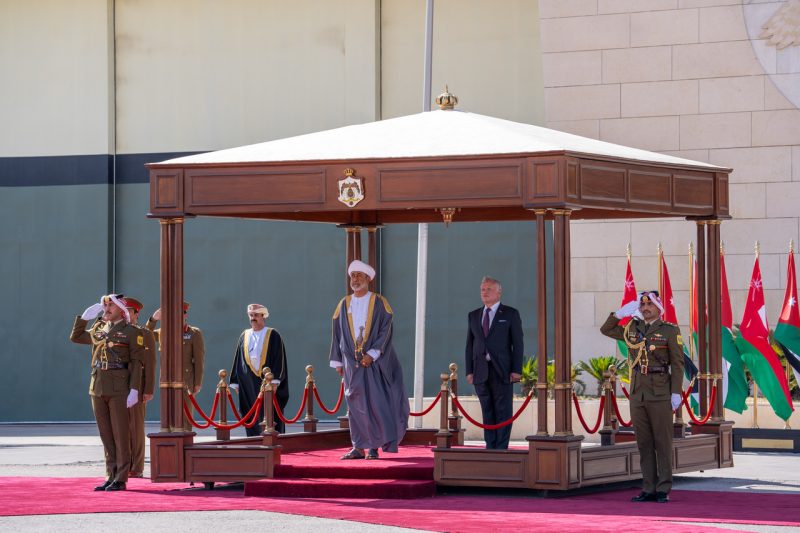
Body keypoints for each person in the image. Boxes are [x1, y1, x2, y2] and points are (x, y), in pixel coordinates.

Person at [600, 291, 684, 504]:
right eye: (642, 305)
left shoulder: (669, 330)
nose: (645, 308)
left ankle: (663, 488)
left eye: (650, 305)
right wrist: (619, 314)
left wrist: (676, 391)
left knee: (662, 442)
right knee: (644, 443)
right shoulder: (632, 329)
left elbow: (677, 363)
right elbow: (606, 330)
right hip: (638, 392)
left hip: (660, 391)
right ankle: (648, 488)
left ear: (658, 307)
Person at [329, 260, 409, 460]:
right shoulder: (343, 304)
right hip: (351, 362)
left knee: (375, 403)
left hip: (374, 362)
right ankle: (358, 446)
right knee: (354, 403)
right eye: (352, 276)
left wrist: (373, 353)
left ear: (368, 279)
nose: (355, 279)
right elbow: (337, 333)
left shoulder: (380, 302)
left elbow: (386, 329)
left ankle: (374, 446)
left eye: (359, 275)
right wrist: (337, 361)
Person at [70, 294, 144, 491]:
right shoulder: (99, 329)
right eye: (105, 306)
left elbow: (136, 363)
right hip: (98, 386)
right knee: (106, 434)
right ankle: (110, 475)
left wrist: (135, 389)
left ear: (121, 309)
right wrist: (84, 318)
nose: (106, 309)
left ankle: (121, 478)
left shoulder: (131, 331)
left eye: (111, 305)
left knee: (121, 434)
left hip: (119, 387)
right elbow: (76, 337)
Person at [465, 276, 524, 450]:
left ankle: (501, 447)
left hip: (502, 370)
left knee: (503, 410)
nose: (485, 292)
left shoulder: (510, 314)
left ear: (499, 292)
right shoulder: (474, 315)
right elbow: (469, 345)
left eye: (489, 289)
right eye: (482, 289)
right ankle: (490, 447)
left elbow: (518, 344)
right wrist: (469, 371)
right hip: (480, 370)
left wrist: (516, 370)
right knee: (487, 410)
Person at [229, 303, 289, 436]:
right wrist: (236, 382)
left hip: (268, 384)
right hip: (248, 384)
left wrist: (275, 381)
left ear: (263, 316)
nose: (253, 318)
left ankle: (273, 440)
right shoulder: (244, 335)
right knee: (251, 413)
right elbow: (238, 359)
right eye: (251, 315)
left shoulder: (273, 334)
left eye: (256, 315)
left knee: (271, 413)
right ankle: (253, 440)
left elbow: (279, 358)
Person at [146, 302, 205, 431]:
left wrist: (197, 383)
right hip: (166, 380)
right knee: (168, 414)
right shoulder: (163, 332)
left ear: (185, 315)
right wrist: (153, 319)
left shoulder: (194, 333)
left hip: (185, 380)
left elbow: (199, 360)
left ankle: (185, 438)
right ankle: (168, 439)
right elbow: (145, 335)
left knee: (184, 416)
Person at [122, 297, 156, 478]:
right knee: (121, 427)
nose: (126, 314)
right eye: (123, 311)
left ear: (136, 314)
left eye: (129, 311)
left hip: (138, 386)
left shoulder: (144, 333)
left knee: (135, 427)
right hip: (118, 385)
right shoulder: (117, 331)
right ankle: (123, 464)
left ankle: (136, 466)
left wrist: (148, 389)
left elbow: (150, 363)